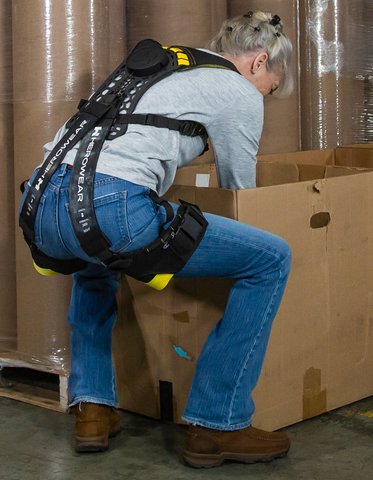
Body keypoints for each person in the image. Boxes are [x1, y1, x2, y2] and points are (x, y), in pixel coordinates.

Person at [19, 11, 293, 468]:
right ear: (259, 63)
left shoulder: (167, 65)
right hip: (110, 206)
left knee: (97, 262)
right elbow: (240, 192)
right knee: (271, 259)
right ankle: (217, 424)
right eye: (270, 88)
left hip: (42, 203)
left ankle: (92, 408)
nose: (263, 97)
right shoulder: (239, 91)